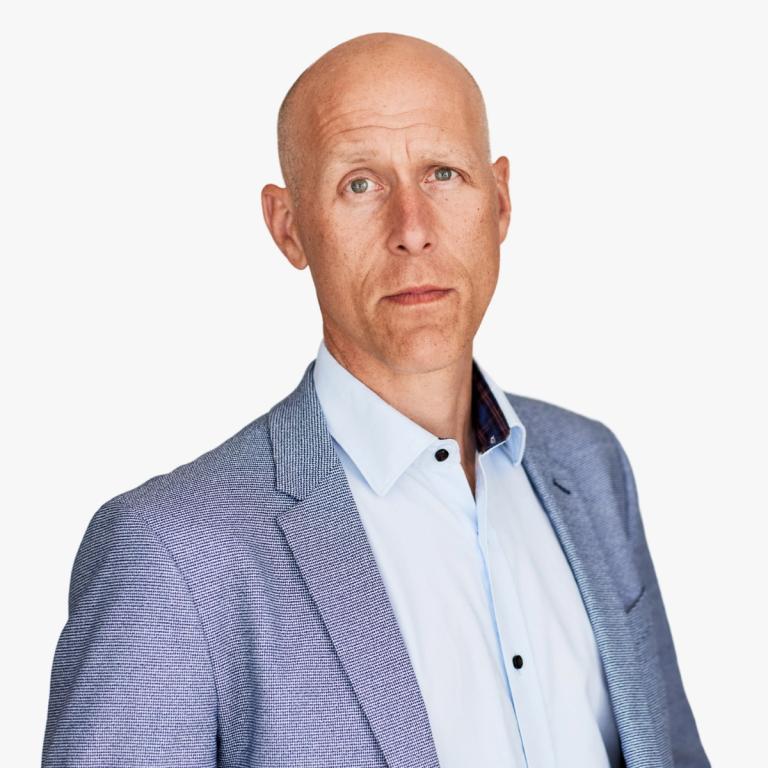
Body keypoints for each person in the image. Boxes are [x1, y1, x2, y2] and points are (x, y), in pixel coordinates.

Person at [41, 31, 709, 768]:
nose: (412, 230)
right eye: (360, 184)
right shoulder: (171, 553)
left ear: (500, 203)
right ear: (288, 226)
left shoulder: (591, 468)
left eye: (444, 174)